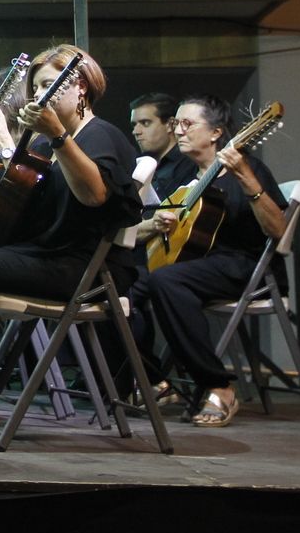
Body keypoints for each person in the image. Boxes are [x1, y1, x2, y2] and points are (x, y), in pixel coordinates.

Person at [0, 44, 140, 441]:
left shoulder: (102, 136)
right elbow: (31, 213)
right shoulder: (42, 144)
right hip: (46, 255)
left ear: (81, 87)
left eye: (50, 84)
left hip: (82, 267)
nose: (40, 95)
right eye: (36, 87)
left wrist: (58, 136)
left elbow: (93, 196)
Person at [123, 94, 287, 427]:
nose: (178, 131)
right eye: (176, 124)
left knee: (166, 280)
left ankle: (218, 386)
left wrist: (246, 179)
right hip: (197, 266)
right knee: (116, 286)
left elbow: (279, 231)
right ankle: (155, 380)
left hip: (245, 266)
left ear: (215, 132)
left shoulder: (248, 168)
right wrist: (159, 224)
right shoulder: (187, 180)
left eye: (187, 124)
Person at [129, 92, 191, 199]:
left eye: (145, 123)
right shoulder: (138, 166)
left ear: (170, 124)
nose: (135, 131)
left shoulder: (189, 164)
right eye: (134, 125)